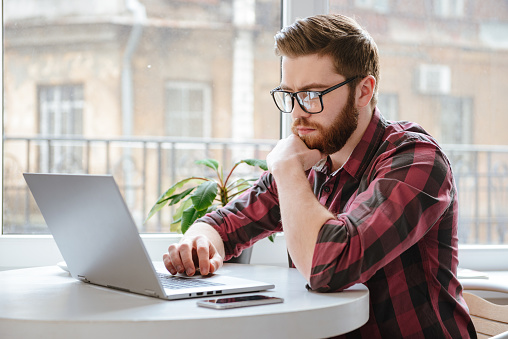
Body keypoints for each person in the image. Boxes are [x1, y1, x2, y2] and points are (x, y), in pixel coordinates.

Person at [163, 14, 476, 338]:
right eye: (290, 95)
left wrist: (284, 168)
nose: (297, 112)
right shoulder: (314, 157)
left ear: (363, 91)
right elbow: (223, 224)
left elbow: (330, 265)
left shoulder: (416, 161)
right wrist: (196, 246)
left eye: (312, 95)